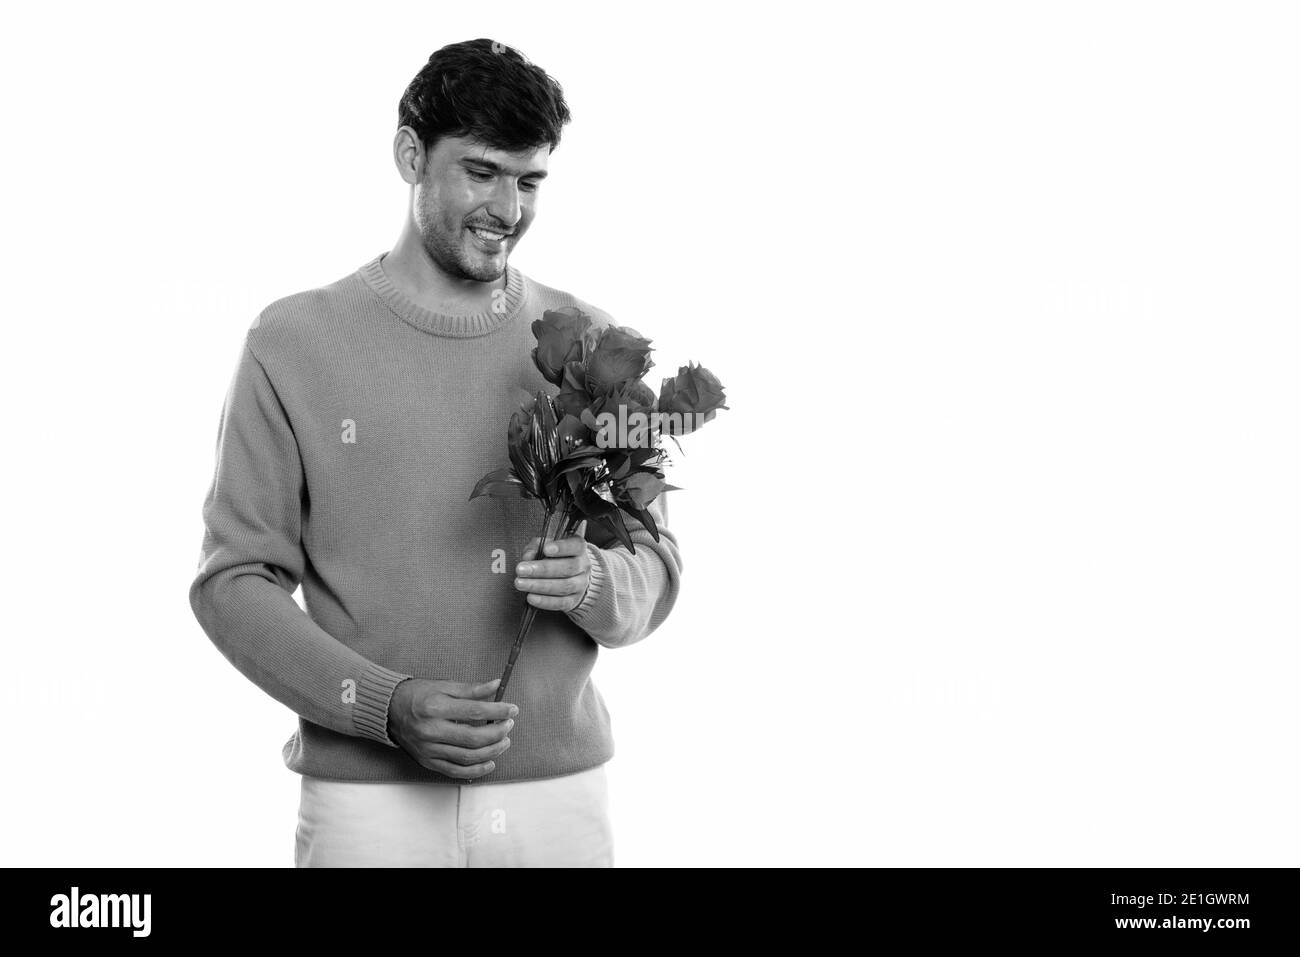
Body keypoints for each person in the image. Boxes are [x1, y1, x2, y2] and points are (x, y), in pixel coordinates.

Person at [188, 38, 682, 868]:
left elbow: (656, 562)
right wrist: (384, 705)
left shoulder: (593, 346)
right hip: (367, 802)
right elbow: (233, 582)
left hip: (554, 799)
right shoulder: (292, 342)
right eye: (482, 171)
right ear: (410, 154)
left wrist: (597, 584)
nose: (509, 209)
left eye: (530, 181)